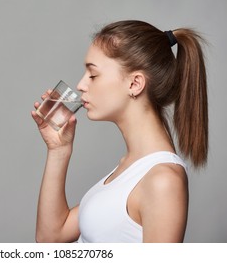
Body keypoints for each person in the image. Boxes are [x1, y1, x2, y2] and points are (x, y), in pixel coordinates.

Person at [31, 20, 208, 243]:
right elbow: (51, 237)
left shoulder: (162, 180)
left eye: (93, 75)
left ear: (135, 84)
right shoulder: (129, 168)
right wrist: (59, 150)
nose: (81, 85)